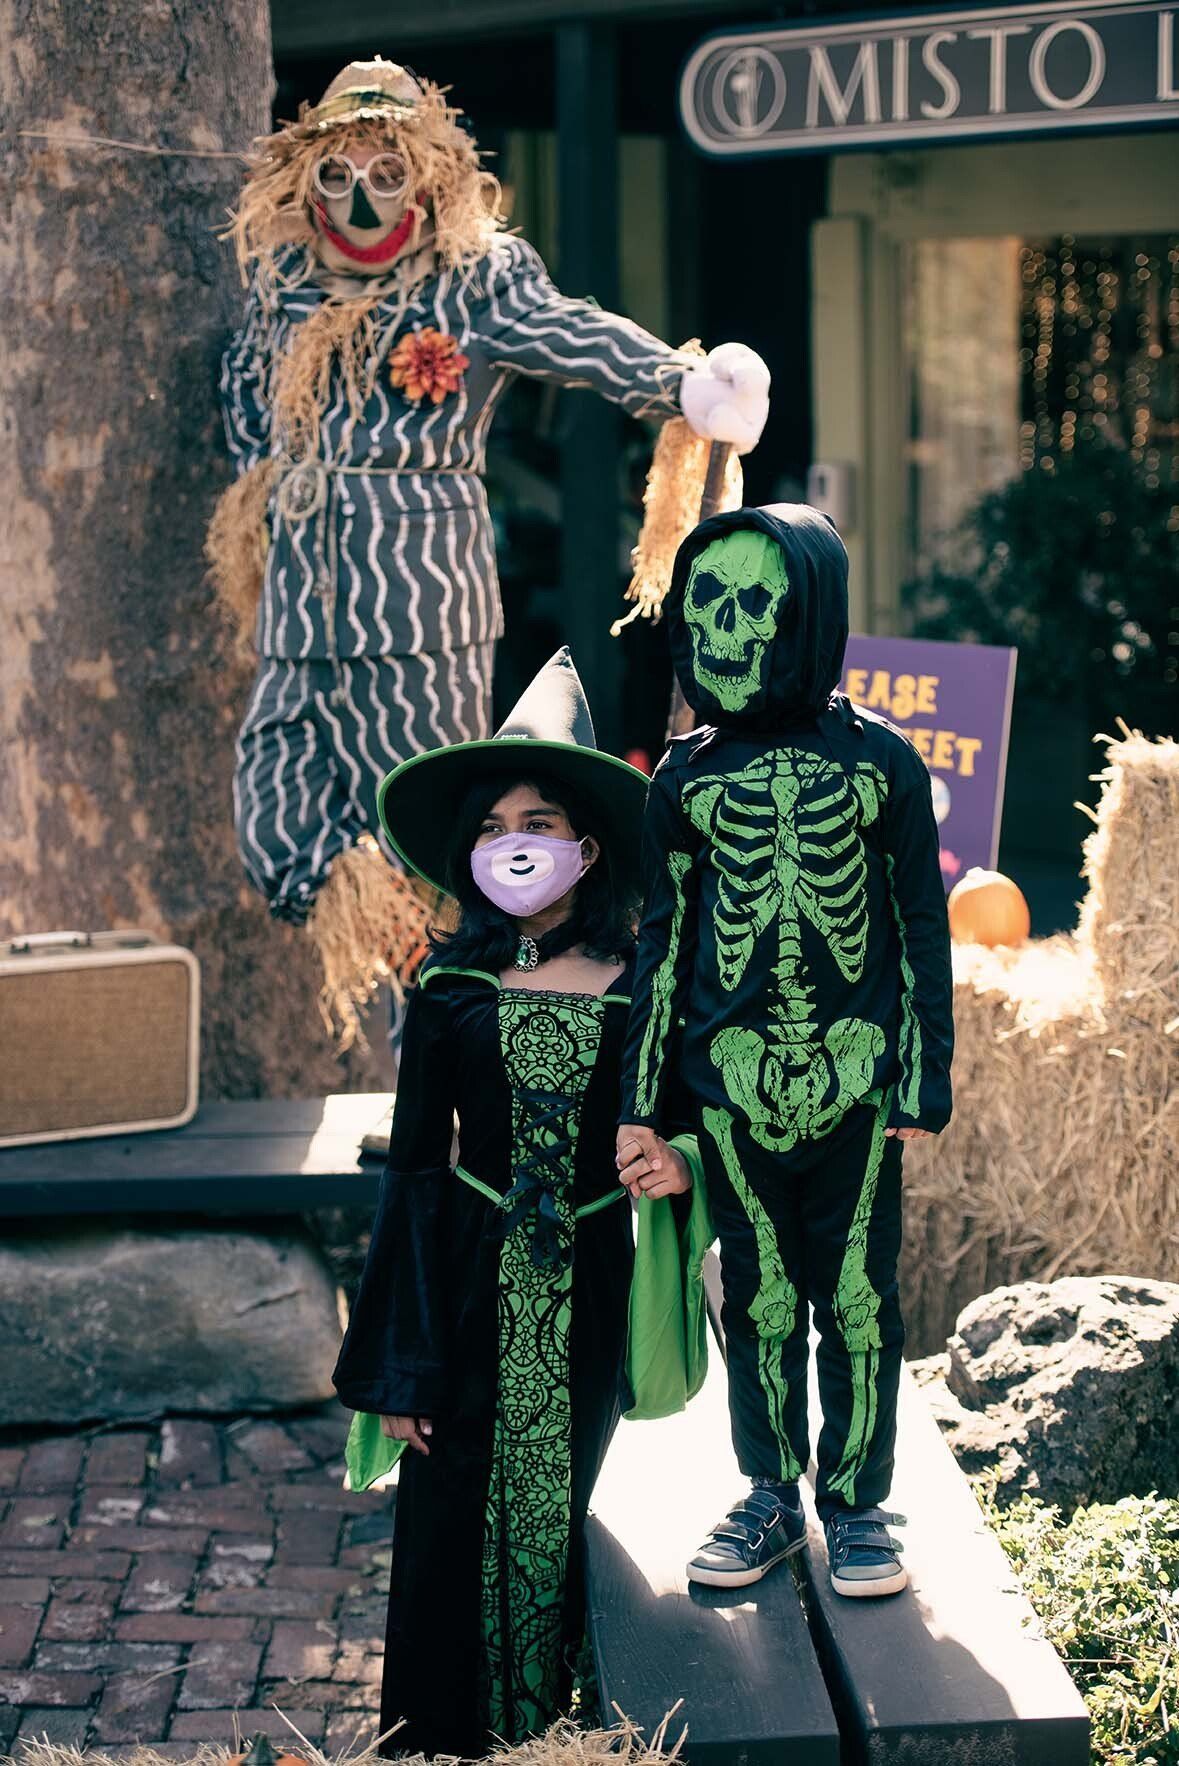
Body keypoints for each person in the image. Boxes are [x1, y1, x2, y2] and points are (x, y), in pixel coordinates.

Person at [209, 55, 770, 1027]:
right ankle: (429, 1005)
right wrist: (264, 478)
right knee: (280, 816)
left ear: (425, 177)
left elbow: (569, 335)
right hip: (301, 597)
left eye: (386, 175)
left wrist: (680, 385)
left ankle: (448, 1064)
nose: (360, 199)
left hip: (415, 600)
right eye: (337, 176)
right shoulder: (284, 283)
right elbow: (241, 395)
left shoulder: (474, 277)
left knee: (424, 835)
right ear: (306, 180)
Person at [332, 649, 701, 1756]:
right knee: (445, 1516)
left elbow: (691, 1120)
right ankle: (433, 1741)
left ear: (585, 846)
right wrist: (398, 1360)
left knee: (552, 1507)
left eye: (535, 819)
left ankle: (547, 1733)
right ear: (474, 855)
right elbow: (408, 1173)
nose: (513, 841)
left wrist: (677, 1159)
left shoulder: (644, 986)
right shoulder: (446, 995)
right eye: (493, 828)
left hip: (589, 1282)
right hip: (464, 1276)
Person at [616, 505, 954, 1599]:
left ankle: (857, 1503)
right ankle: (770, 1489)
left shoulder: (882, 766)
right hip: (732, 1091)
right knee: (759, 1296)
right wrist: (646, 1104)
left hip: (855, 1082)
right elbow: (662, 944)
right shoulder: (684, 780)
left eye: (754, 603)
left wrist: (924, 1074)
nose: (724, 629)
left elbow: (916, 923)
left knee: (856, 1296)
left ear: (807, 611)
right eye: (704, 602)